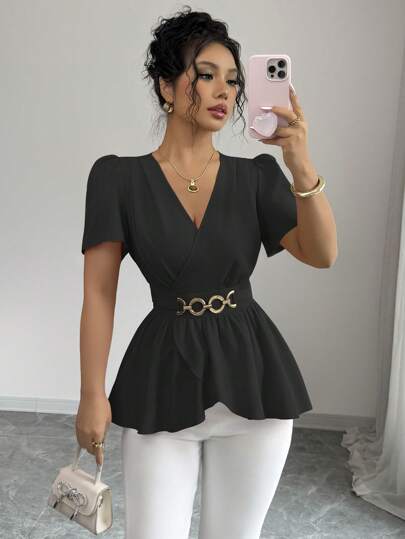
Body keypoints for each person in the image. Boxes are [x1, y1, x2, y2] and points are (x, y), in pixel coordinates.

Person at [76, 6, 337, 538]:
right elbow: (99, 294)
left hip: (255, 384)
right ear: (166, 86)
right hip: (162, 380)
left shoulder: (257, 177)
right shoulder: (117, 179)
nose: (225, 91)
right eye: (207, 75)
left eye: (234, 80)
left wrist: (300, 163)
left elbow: (322, 253)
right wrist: (91, 393)